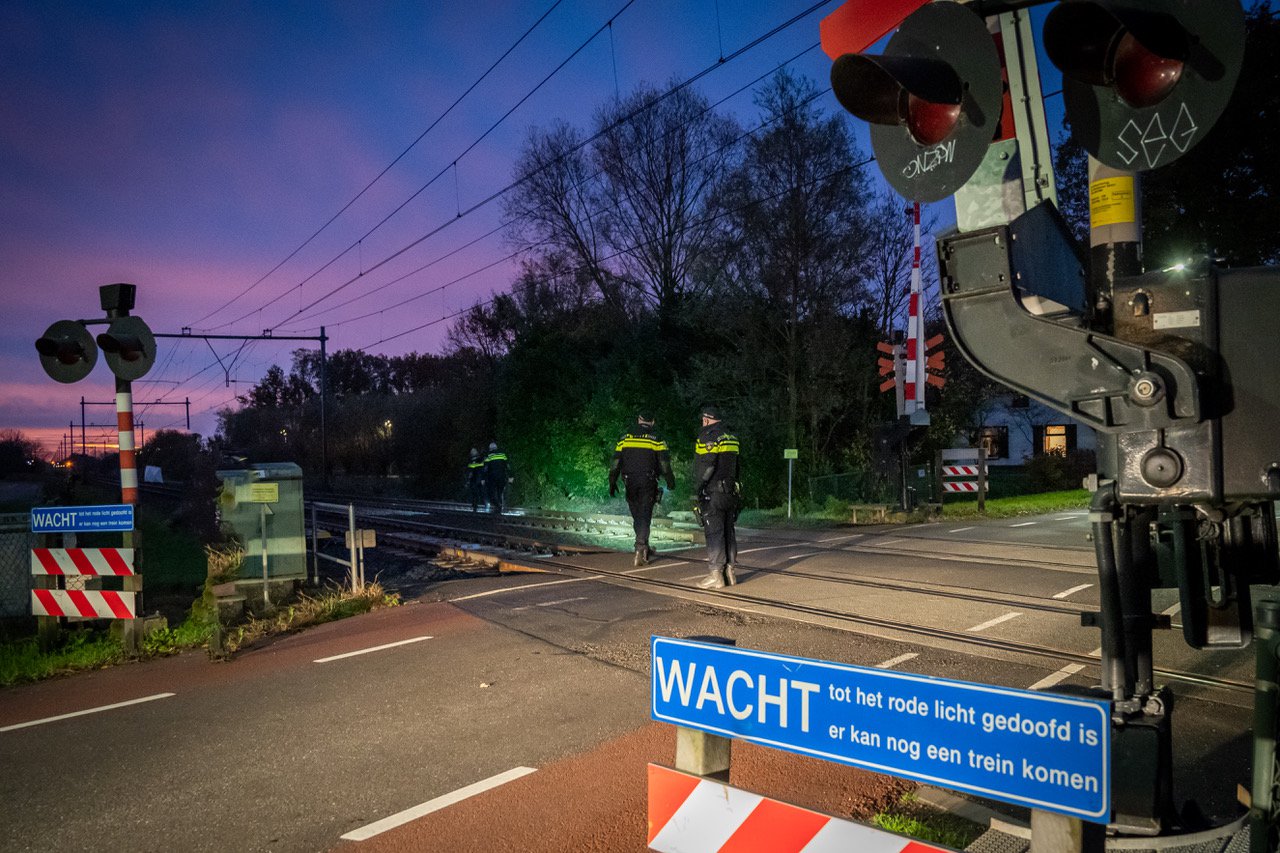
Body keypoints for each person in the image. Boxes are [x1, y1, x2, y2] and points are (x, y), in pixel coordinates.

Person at [609, 411, 676, 567]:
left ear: (639, 420)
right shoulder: (657, 438)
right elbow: (664, 463)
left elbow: (615, 461)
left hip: (629, 482)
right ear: (652, 421)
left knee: (638, 515)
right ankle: (640, 548)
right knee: (645, 515)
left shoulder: (625, 438)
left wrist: (612, 481)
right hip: (648, 481)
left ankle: (642, 546)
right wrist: (670, 481)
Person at [693, 405, 740, 589]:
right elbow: (738, 467)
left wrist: (699, 488)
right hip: (730, 493)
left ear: (706, 419)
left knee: (714, 533)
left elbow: (708, 465)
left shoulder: (707, 436)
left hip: (713, 493)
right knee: (729, 532)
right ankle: (730, 572)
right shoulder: (732, 437)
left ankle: (715, 575)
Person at [483, 441, 511, 515]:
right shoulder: (503, 454)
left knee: (491, 492)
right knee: (500, 492)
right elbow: (507, 466)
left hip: (492, 478)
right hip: (502, 477)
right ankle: (500, 506)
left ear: (490, 448)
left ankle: (497, 505)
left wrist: (483, 478)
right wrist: (511, 476)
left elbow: (485, 468)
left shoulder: (489, 455)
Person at [465, 448, 484, 512]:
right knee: (475, 493)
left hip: (476, 479)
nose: (472, 453)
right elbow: (470, 471)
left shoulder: (477, 459)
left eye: (473, 451)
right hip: (476, 479)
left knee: (475, 493)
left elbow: (471, 471)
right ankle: (475, 505)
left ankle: (475, 505)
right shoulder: (474, 460)